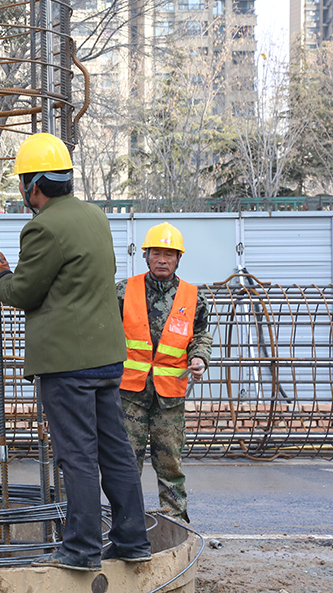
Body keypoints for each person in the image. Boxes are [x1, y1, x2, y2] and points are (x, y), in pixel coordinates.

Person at [0, 132, 151, 571]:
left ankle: (81, 549)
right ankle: (132, 540)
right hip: (106, 357)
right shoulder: (95, 216)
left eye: (23, 183)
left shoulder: (43, 227)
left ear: (33, 185)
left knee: (77, 456)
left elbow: (23, 291)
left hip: (67, 363)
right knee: (114, 450)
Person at [116, 222, 212, 523]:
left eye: (169, 254)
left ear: (178, 258)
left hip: (169, 396)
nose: (162, 260)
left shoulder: (193, 297)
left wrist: (199, 358)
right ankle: (125, 523)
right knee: (126, 463)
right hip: (130, 394)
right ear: (145, 255)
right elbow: (105, 332)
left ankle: (175, 522)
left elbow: (200, 336)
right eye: (156, 253)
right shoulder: (123, 291)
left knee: (169, 463)